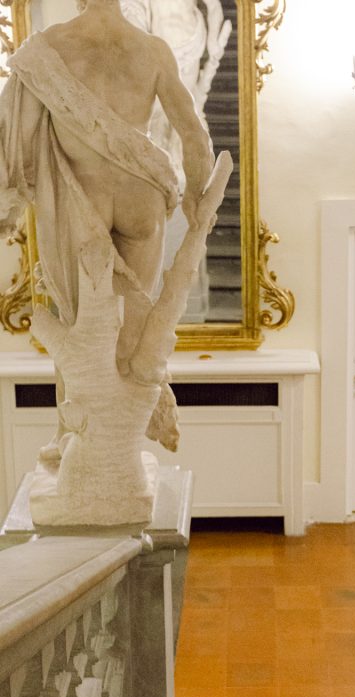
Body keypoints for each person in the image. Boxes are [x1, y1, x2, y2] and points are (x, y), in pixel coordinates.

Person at [0, 0, 215, 452]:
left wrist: (12, 202)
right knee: (137, 324)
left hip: (85, 196)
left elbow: (14, 139)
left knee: (79, 328)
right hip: (144, 196)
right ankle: (124, 446)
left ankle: (74, 439)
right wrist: (197, 196)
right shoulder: (152, 50)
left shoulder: (47, 50)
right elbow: (194, 134)